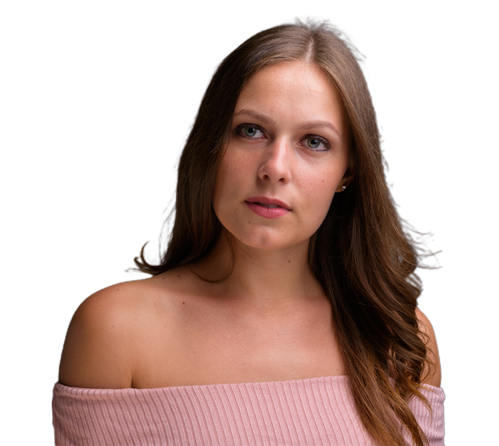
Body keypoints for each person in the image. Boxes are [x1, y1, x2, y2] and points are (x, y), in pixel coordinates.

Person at [53, 21, 444, 446]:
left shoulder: (400, 338)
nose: (275, 167)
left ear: (347, 172)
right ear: (210, 145)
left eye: (314, 142)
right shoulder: (117, 330)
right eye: (250, 130)